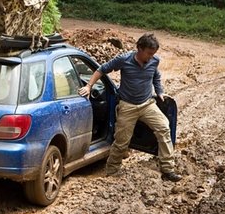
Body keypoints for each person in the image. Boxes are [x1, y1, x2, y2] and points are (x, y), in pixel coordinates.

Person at [78, 33, 182, 182]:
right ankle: (111, 172)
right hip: (127, 106)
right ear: (139, 48)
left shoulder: (154, 61)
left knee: (164, 128)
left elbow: (156, 76)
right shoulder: (124, 60)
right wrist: (88, 86)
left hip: (147, 104)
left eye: (154, 54)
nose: (152, 57)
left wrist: (159, 92)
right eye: (149, 53)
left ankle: (167, 169)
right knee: (121, 141)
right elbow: (102, 69)